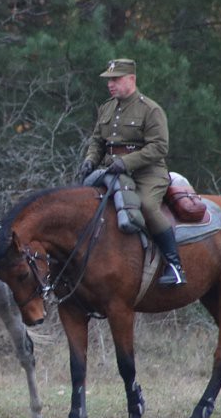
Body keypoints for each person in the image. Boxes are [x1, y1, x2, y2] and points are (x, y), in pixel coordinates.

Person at [78, 58, 185, 285]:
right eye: (109, 80)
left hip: (147, 174)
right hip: (111, 172)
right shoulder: (106, 108)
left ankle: (174, 266)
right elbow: (98, 141)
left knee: (145, 206)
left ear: (131, 79)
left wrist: (127, 163)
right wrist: (90, 161)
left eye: (116, 79)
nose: (110, 84)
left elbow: (159, 147)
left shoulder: (150, 109)